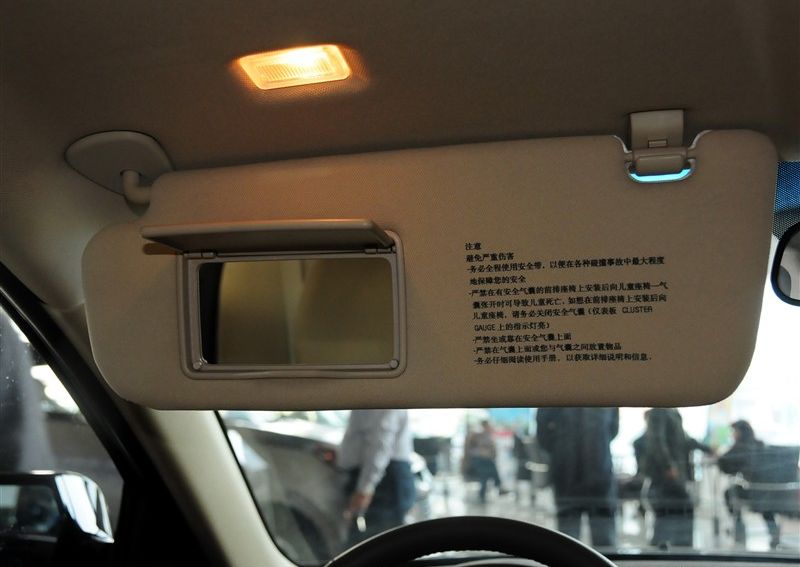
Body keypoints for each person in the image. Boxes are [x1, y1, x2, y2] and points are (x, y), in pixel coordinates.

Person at [536, 408, 619, 547]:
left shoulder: (553, 396)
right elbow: (612, 429)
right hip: (595, 470)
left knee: (571, 541)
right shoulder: (605, 398)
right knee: (596, 539)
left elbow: (543, 435)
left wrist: (560, 449)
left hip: (571, 473)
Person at [337, 409, 416, 546]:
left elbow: (380, 444)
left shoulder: (381, 401)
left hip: (383, 479)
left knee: (378, 544)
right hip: (379, 475)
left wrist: (365, 488)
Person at [637, 408, 696, 548]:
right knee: (670, 511)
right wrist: (668, 466)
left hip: (672, 473)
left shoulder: (672, 412)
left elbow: (684, 441)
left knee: (671, 512)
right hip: (665, 475)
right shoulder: (660, 410)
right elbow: (657, 440)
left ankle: (672, 549)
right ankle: (671, 550)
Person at [718, 420, 781, 548]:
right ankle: (773, 531)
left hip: (753, 491)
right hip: (769, 491)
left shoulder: (740, 448)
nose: (732, 434)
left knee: (729, 493)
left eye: (734, 431)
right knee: (765, 505)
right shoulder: (760, 445)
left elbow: (723, 462)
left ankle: (739, 528)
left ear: (740, 432)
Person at [464, 419, 507, 502]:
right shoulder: (477, 435)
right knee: (487, 471)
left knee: (487, 472)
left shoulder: (487, 436)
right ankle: (498, 486)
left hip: (485, 460)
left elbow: (492, 450)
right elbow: (474, 449)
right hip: (477, 460)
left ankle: (491, 489)